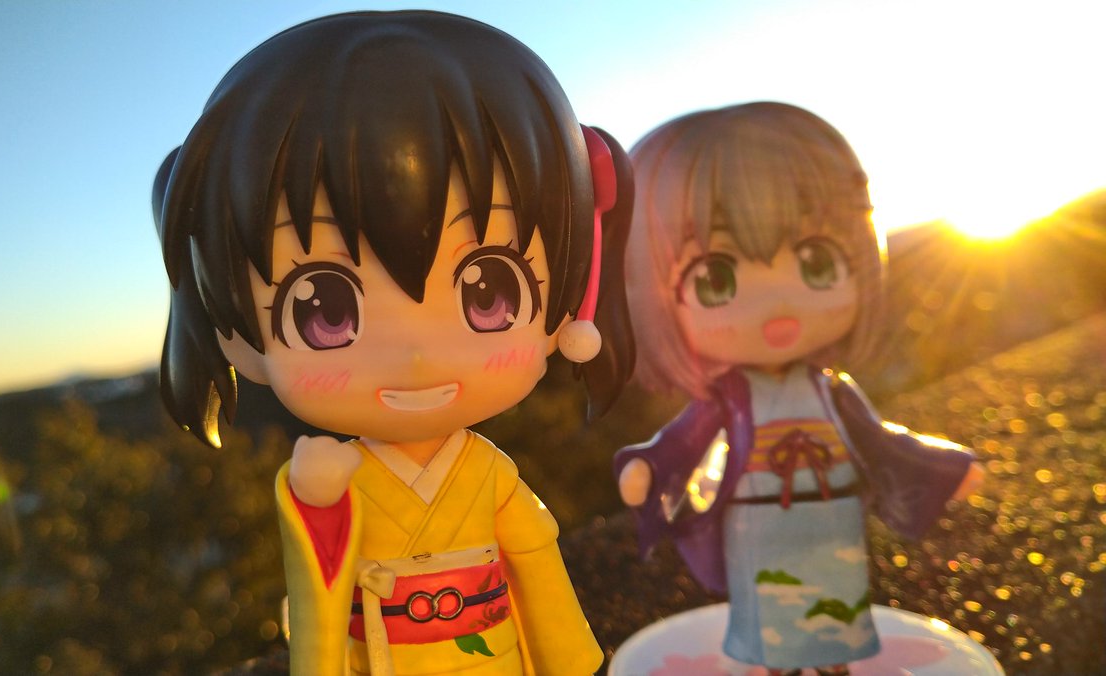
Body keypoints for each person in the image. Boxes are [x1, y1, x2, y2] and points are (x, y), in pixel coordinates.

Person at [152, 11, 634, 675]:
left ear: (568, 303)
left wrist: (570, 662)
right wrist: (317, 504)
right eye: (324, 311)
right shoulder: (342, 479)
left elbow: (537, 568)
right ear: (237, 339)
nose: (415, 353)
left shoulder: (489, 477)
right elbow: (317, 593)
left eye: (489, 293)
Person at [614, 102, 982, 675]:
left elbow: (881, 442)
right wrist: (650, 465)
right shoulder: (730, 398)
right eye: (715, 278)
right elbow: (682, 442)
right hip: (758, 521)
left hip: (833, 515)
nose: (777, 301)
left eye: (816, 262)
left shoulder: (831, 390)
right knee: (772, 626)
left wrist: (943, 468)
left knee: (836, 617)